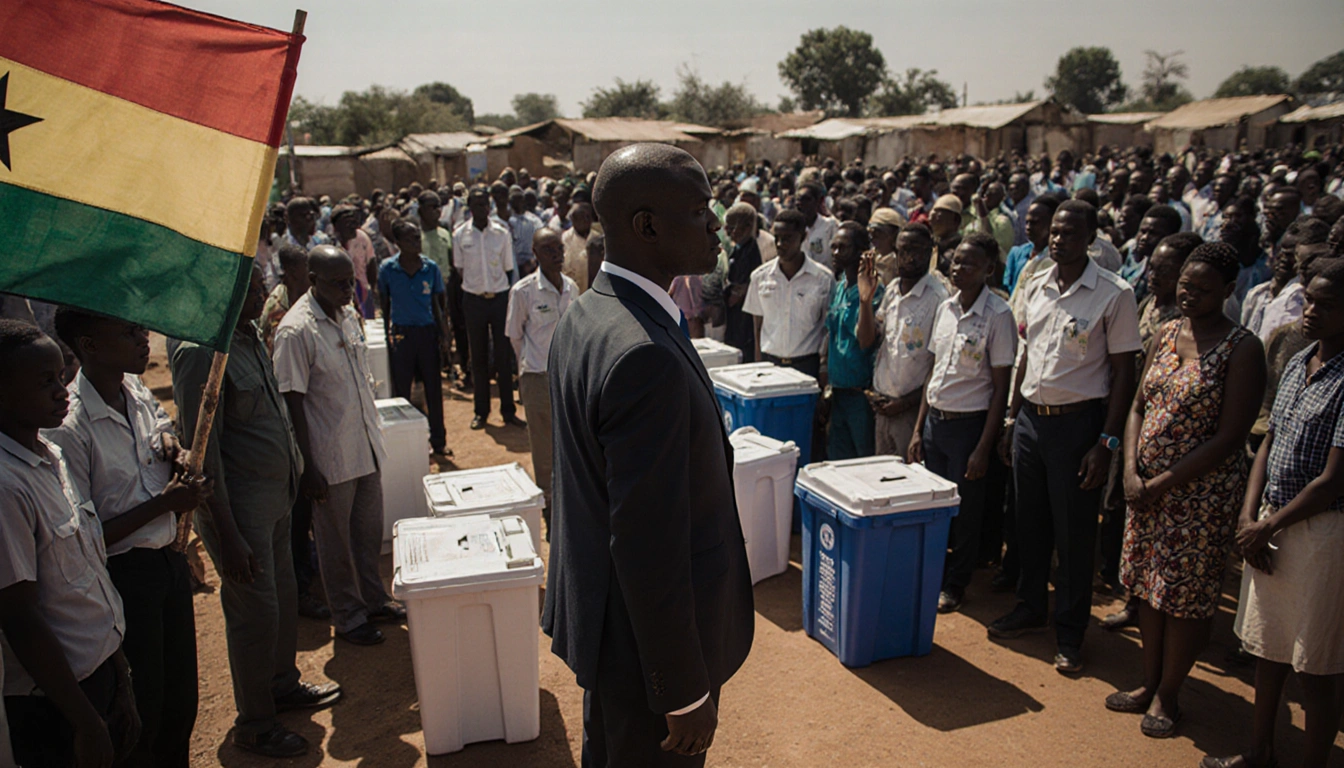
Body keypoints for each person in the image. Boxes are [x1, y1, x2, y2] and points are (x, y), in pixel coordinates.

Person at [542, 144, 754, 767]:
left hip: (609, 627)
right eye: (700, 210)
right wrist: (681, 687)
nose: (716, 223)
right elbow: (647, 543)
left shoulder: (589, 313)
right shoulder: (644, 354)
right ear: (647, 225)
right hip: (643, 650)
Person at [171, 266, 340, 758]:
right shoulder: (200, 352)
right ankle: (256, 722)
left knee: (283, 600)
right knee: (254, 616)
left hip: (274, 502)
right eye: (254, 287)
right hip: (239, 515)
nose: (266, 294)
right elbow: (204, 449)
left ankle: (282, 684)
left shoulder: (246, 336)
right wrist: (226, 532)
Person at [1102, 244, 1264, 739]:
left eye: (1203, 288)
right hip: (1145, 490)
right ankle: (1149, 682)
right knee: (1148, 590)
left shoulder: (1242, 348)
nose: (1189, 294)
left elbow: (1231, 436)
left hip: (1200, 498)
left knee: (1186, 598)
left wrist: (1160, 483)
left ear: (1228, 291)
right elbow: (1136, 408)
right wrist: (1131, 470)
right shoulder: (1167, 333)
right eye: (1186, 285)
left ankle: (1171, 693)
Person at [46, 310, 213, 767]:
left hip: (169, 561)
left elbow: (161, 433)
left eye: (142, 329)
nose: (145, 340)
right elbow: (87, 536)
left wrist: (174, 451)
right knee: (146, 705)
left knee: (182, 698)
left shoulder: (135, 391)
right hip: (125, 577)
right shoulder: (69, 427)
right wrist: (164, 503)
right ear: (89, 345)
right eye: (129, 333)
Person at [991, 200, 1141, 675]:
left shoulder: (1114, 295)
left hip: (1079, 427)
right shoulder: (1035, 286)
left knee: (1074, 533)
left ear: (1091, 239)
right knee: (1027, 522)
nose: (1058, 240)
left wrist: (1107, 444)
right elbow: (1026, 358)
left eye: (1070, 234)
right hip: (1032, 421)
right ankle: (1031, 606)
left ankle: (1072, 632)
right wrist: (1013, 420)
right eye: (1055, 232)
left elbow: (1123, 376)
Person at [1205, 258, 1344, 768]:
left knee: (1317, 665)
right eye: (1310, 299)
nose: (1312, 311)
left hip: (1320, 533)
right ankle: (1259, 751)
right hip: (1267, 524)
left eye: (1327, 304)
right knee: (1269, 650)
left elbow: (1333, 481)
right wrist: (1249, 516)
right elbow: (1266, 444)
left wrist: (1267, 524)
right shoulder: (1298, 358)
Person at [0, 320, 140, 768]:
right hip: (55, 699)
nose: (63, 391)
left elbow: (89, 574)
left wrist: (120, 671)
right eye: (45, 382)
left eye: (62, 376)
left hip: (100, 673)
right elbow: (21, 618)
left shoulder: (51, 455)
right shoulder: (7, 487)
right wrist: (85, 723)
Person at [274, 246, 404, 648]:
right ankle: (348, 617)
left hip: (364, 444)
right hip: (329, 458)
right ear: (312, 281)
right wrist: (307, 465)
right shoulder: (296, 331)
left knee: (367, 535)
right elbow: (291, 401)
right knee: (335, 544)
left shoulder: (348, 315)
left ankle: (373, 598)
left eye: (351, 280)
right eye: (339, 283)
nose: (350, 288)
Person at [905, 233, 1016, 613]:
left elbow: (1000, 388)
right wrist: (919, 429)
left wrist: (985, 446)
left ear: (988, 269)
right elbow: (933, 372)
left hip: (970, 429)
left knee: (966, 513)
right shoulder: (946, 308)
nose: (959, 268)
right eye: (955, 261)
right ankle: (933, 573)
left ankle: (956, 584)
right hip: (936, 423)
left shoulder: (999, 316)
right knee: (936, 507)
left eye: (969, 263)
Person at [1098, 231, 1204, 624]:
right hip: (1129, 422)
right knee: (1121, 509)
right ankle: (1132, 598)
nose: (1155, 274)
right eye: (1153, 267)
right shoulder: (1144, 306)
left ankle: (1149, 606)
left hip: (1168, 435)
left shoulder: (1189, 324)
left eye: (1166, 269)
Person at [505, 228, 577, 535]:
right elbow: (515, 336)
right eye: (548, 249)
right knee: (544, 449)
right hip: (537, 377)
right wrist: (532, 369)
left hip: (568, 377)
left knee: (571, 441)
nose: (557, 254)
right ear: (534, 254)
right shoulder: (523, 292)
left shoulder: (572, 288)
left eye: (559, 248)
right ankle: (550, 514)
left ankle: (571, 505)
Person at [858, 222, 949, 459]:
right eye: (903, 251)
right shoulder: (892, 291)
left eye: (917, 250)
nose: (909, 257)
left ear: (929, 253)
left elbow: (938, 365)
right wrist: (865, 301)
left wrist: (907, 403)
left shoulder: (939, 298)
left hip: (912, 410)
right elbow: (866, 341)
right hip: (883, 406)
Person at [378, 220, 451, 455]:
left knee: (433, 389)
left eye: (417, 237)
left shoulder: (430, 269)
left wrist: (445, 336)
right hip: (402, 334)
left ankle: (438, 441)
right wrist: (388, 334)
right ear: (398, 243)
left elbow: (438, 306)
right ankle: (406, 443)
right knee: (402, 390)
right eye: (410, 239)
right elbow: (385, 305)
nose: (416, 243)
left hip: (427, 333)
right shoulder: (388, 270)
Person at [453, 186, 522, 431]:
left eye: (485, 204)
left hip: (499, 299)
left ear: (489, 206)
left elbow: (508, 268)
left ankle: (508, 412)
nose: (482, 208)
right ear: (469, 207)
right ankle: (481, 412)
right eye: (476, 204)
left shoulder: (501, 233)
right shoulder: (460, 235)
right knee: (478, 357)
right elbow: (459, 269)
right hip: (473, 300)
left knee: (503, 357)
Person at [743, 209, 834, 376]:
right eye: (776, 238)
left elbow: (827, 329)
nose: (779, 244)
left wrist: (823, 368)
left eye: (787, 239)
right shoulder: (760, 277)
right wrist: (759, 365)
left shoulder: (823, 279)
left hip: (807, 365)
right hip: (770, 364)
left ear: (803, 237)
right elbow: (757, 326)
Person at [826, 222, 884, 460]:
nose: (837, 253)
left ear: (861, 252)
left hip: (860, 395)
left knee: (864, 461)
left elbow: (865, 340)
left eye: (844, 248)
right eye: (834, 247)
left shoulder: (874, 292)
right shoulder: (839, 286)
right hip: (838, 391)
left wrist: (864, 300)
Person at [719, 203, 764, 363]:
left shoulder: (749, 252)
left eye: (732, 227)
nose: (727, 232)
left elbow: (741, 289)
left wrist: (734, 293)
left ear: (746, 227)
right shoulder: (738, 249)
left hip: (743, 322)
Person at [1118, 205, 1184, 305]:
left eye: (1153, 233)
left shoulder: (1170, 278)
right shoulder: (1134, 264)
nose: (1144, 238)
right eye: (1143, 231)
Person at [331, 204, 378, 319]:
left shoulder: (362, 238)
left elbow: (371, 262)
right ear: (336, 226)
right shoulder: (330, 244)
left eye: (354, 222)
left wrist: (373, 288)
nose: (353, 226)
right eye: (347, 223)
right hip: (340, 292)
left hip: (362, 289)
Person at [260, 244, 310, 351]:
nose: (310, 271)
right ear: (293, 271)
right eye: (306, 265)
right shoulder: (277, 307)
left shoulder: (307, 295)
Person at [796, 180, 839, 269]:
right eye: (798, 199)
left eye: (806, 199)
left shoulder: (830, 226)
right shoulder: (793, 228)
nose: (801, 203)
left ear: (818, 201)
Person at [508, 185, 545, 277]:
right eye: (514, 199)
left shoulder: (534, 221)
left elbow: (541, 241)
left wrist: (533, 261)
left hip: (531, 265)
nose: (517, 203)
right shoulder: (507, 222)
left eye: (519, 199)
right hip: (512, 264)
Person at [562, 202, 597, 293]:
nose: (585, 220)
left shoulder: (597, 238)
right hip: (572, 291)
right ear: (573, 220)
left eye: (588, 216)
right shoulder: (565, 239)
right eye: (581, 217)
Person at [866, 207, 906, 286]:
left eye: (878, 233)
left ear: (894, 235)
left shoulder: (902, 264)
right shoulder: (870, 258)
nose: (874, 239)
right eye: (871, 233)